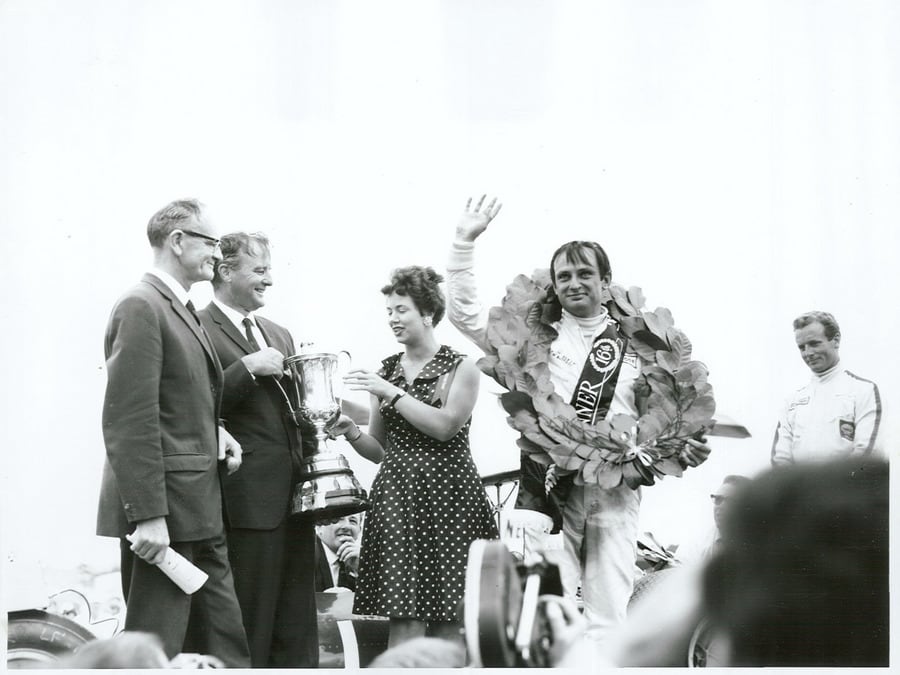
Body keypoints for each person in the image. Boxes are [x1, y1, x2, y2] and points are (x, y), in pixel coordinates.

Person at [445, 195, 709, 645]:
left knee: (609, 619)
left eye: (585, 273)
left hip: (615, 492)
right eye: (564, 276)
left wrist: (687, 447)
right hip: (545, 487)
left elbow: (670, 418)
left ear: (606, 282)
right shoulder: (529, 336)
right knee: (542, 618)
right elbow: (464, 315)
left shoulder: (642, 346)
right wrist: (463, 243)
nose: (574, 283)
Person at [96, 199, 250, 666]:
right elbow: (130, 419)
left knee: (226, 648)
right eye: (211, 242)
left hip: (200, 511)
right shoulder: (141, 305)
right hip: (164, 521)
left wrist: (216, 429)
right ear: (177, 241)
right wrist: (148, 517)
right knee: (155, 652)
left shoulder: (180, 308)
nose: (218, 253)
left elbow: (179, 398)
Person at [329, 265, 498, 648]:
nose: (392, 318)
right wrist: (352, 431)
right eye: (389, 311)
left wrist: (391, 393)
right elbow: (379, 450)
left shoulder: (461, 367)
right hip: (398, 497)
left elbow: (445, 426)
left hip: (451, 498)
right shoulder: (386, 371)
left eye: (401, 309)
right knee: (402, 619)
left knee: (449, 620)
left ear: (427, 313)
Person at [197, 231, 322, 667]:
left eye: (270, 270)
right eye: (260, 270)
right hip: (244, 505)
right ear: (225, 271)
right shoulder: (197, 327)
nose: (269, 280)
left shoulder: (279, 333)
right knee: (252, 626)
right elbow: (191, 406)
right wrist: (246, 368)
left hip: (295, 503)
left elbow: (299, 411)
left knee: (298, 629)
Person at [702, 458, 888, 666]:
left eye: (730, 501)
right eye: (717, 499)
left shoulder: (768, 554)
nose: (720, 507)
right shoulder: (706, 542)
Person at [771, 311, 882, 466]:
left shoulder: (864, 391)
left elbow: (865, 454)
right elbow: (780, 459)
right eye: (802, 347)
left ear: (836, 340)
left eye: (814, 343)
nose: (808, 353)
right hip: (798, 482)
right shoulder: (792, 402)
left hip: (845, 481)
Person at [315, 513, 362, 592]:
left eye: (352, 521)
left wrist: (359, 571)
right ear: (319, 526)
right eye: (338, 519)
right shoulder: (305, 556)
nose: (346, 526)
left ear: (359, 530)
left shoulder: (360, 561)